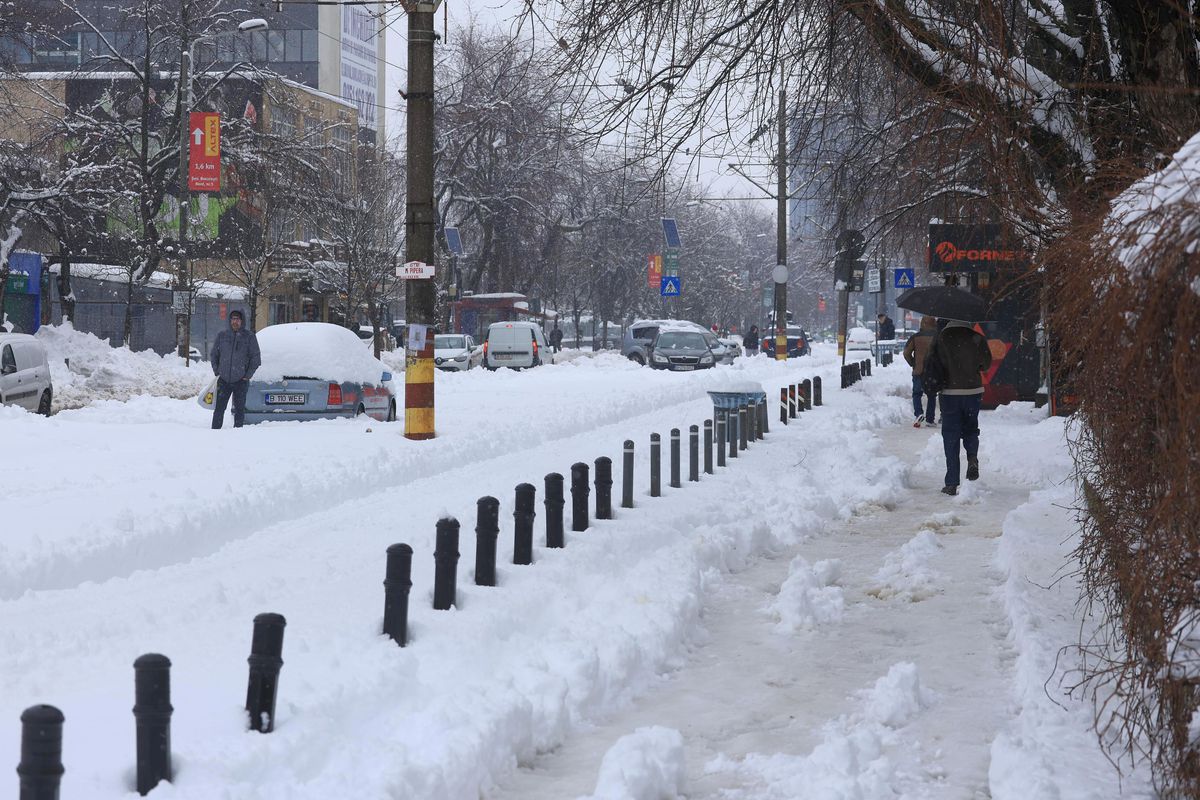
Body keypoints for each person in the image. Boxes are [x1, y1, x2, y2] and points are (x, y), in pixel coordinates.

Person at [930, 320, 992, 495]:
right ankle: (972, 457)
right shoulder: (977, 338)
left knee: (951, 435)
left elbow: (933, 363)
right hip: (973, 391)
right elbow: (986, 365)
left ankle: (951, 482)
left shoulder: (941, 338)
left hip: (949, 393)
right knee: (971, 428)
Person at [210, 309, 261, 429]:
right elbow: (214, 355)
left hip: (241, 380)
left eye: (237, 319)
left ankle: (238, 434)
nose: (235, 321)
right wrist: (217, 371)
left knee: (239, 410)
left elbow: (256, 358)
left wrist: (247, 375)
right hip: (223, 380)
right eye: (233, 319)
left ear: (242, 321)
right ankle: (214, 433)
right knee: (219, 409)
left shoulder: (249, 337)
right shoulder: (222, 336)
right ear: (230, 320)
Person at [903, 316, 939, 428]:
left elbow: (906, 353)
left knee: (917, 394)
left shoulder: (915, 337)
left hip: (918, 370)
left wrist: (913, 363)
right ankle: (930, 419)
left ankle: (919, 413)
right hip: (933, 371)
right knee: (932, 395)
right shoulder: (938, 338)